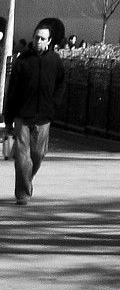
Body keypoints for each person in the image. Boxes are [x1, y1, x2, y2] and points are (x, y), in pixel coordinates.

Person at [4, 21, 66, 203]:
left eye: (42, 38)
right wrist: (8, 117)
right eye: (36, 37)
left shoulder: (54, 60)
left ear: (49, 41)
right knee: (22, 156)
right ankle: (23, 194)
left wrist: (54, 104)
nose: (38, 41)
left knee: (38, 154)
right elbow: (12, 90)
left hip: (44, 115)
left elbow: (61, 83)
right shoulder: (22, 61)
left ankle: (26, 179)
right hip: (23, 114)